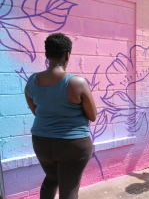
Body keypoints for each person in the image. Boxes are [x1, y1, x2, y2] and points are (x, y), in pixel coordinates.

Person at [25, 33, 97, 199]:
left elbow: (35, 110)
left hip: (41, 142)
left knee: (51, 179)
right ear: (68, 55)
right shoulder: (76, 82)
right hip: (72, 144)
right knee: (69, 189)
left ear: (46, 54)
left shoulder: (32, 80)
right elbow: (92, 115)